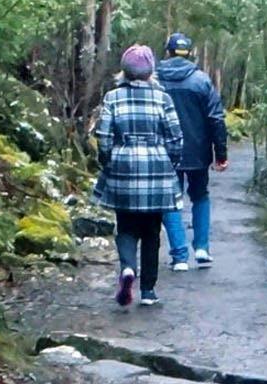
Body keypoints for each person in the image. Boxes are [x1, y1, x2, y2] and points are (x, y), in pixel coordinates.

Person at [92, 44, 184, 307]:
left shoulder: (112, 98)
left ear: (124, 71)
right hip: (156, 167)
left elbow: (104, 136)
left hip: (123, 166)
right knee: (153, 231)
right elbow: (176, 137)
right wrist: (170, 162)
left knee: (126, 226)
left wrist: (108, 161)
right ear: (150, 71)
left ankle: (128, 268)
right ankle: (149, 291)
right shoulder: (162, 98)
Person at [156, 33, 228, 270]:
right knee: (200, 196)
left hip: (165, 151)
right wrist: (221, 154)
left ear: (167, 51)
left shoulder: (154, 79)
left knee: (171, 201)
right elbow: (216, 118)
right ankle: (202, 248)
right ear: (190, 53)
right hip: (198, 152)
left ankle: (179, 256)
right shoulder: (201, 80)